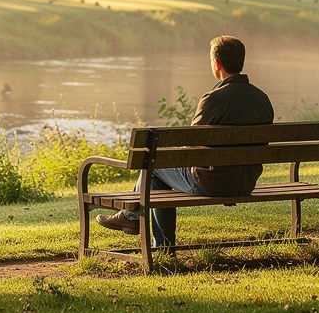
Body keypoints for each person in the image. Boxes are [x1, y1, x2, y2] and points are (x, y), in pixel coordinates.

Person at [97, 35, 274, 247]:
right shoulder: (262, 98)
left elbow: (193, 146)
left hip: (212, 182)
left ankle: (140, 224)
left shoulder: (213, 99)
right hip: (245, 182)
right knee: (157, 165)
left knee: (153, 164)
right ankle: (135, 221)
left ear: (216, 64)